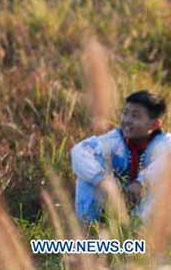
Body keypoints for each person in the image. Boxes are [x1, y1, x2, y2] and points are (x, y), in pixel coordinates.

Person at [71, 90, 170, 224]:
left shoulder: (164, 144)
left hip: (145, 212)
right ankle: (89, 226)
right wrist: (102, 180)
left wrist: (141, 183)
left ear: (155, 124)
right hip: (113, 203)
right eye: (125, 113)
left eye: (135, 116)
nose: (127, 120)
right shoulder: (114, 140)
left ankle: (138, 230)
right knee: (87, 173)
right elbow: (79, 151)